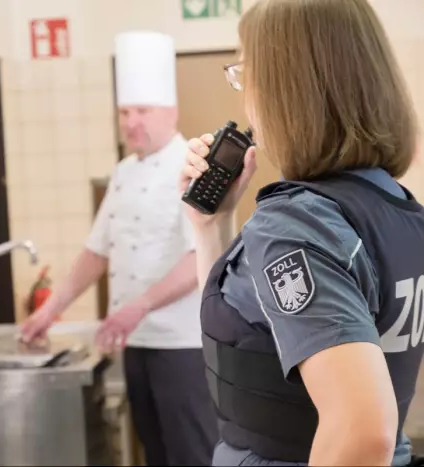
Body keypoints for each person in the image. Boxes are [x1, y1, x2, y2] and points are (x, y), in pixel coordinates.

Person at [179, 1, 423, 465]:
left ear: (286, 88)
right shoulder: (395, 205)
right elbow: (251, 333)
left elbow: (362, 432)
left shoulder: (295, 225)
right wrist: (211, 225)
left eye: (244, 73)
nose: (243, 96)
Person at [21, 30, 219, 466]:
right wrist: (50, 310)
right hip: (137, 342)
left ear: (171, 112)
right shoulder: (123, 173)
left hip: (183, 346)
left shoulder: (193, 165)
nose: (131, 122)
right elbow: (96, 252)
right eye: (125, 112)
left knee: (193, 455)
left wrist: (139, 305)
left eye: (142, 111)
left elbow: (199, 260)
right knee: (155, 453)